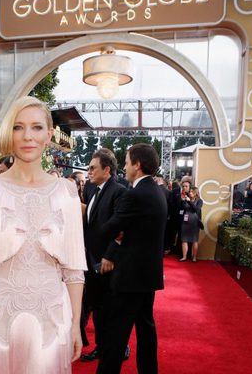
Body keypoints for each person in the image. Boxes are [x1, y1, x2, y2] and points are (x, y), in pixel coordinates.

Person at [0, 96, 87, 373]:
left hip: (52, 319)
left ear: (49, 134)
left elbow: (74, 270)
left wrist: (76, 323)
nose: (28, 136)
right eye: (18, 127)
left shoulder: (66, 193)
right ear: (9, 132)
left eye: (36, 127)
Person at [96, 143, 167, 374]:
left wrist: (107, 226)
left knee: (116, 334)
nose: (124, 167)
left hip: (130, 278)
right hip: (147, 276)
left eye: (126, 162)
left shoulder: (134, 194)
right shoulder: (157, 191)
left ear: (137, 165)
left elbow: (108, 229)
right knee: (146, 330)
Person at [80, 148, 127, 363]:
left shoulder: (119, 191)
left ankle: (118, 346)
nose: (88, 172)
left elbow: (121, 228)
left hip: (107, 261)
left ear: (106, 170)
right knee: (98, 307)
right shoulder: (91, 189)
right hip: (90, 259)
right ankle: (101, 346)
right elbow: (90, 220)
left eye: (92, 168)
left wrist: (110, 256)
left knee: (112, 307)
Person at [179, 186, 204, 262]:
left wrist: (189, 201)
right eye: (189, 192)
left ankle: (194, 257)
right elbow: (183, 208)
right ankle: (184, 256)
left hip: (195, 222)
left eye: (191, 192)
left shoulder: (200, 201)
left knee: (194, 240)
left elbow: (196, 209)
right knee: (184, 239)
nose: (189, 193)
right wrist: (183, 200)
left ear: (195, 193)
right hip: (185, 221)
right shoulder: (186, 199)